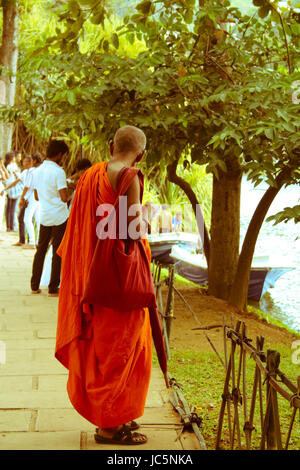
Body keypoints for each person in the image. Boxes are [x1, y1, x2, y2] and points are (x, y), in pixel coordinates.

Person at [55, 125, 153, 445]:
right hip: (116, 279)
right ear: (140, 153)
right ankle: (109, 428)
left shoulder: (90, 175)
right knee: (123, 348)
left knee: (103, 348)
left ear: (111, 145)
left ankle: (116, 416)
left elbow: (89, 223)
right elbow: (133, 229)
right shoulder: (129, 176)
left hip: (90, 273)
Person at [30, 140, 69, 297]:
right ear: (59, 154)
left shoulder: (37, 171)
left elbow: (37, 196)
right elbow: (64, 197)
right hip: (60, 216)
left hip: (45, 215)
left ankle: (34, 285)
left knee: (41, 250)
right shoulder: (58, 172)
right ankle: (53, 287)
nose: (63, 158)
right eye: (64, 156)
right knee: (57, 252)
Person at [21, 152, 43, 249]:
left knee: (27, 219)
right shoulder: (41, 170)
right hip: (40, 196)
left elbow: (27, 186)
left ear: (33, 161)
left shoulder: (32, 171)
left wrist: (22, 198)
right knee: (38, 219)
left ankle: (31, 242)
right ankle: (38, 241)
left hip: (32, 196)